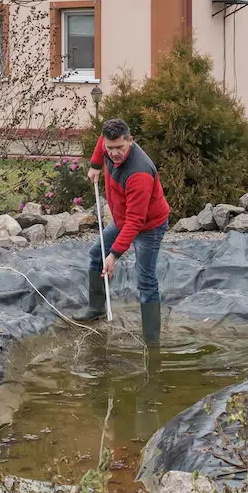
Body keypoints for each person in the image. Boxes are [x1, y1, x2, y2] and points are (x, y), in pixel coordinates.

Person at [81, 118, 171, 345]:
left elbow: (136, 222)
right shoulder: (108, 144)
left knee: (146, 280)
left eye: (120, 148)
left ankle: (152, 341)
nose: (114, 154)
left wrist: (114, 255)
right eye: (110, 149)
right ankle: (96, 309)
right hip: (123, 219)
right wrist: (94, 165)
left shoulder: (138, 174)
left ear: (131, 141)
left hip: (149, 225)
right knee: (95, 255)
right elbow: (101, 141)